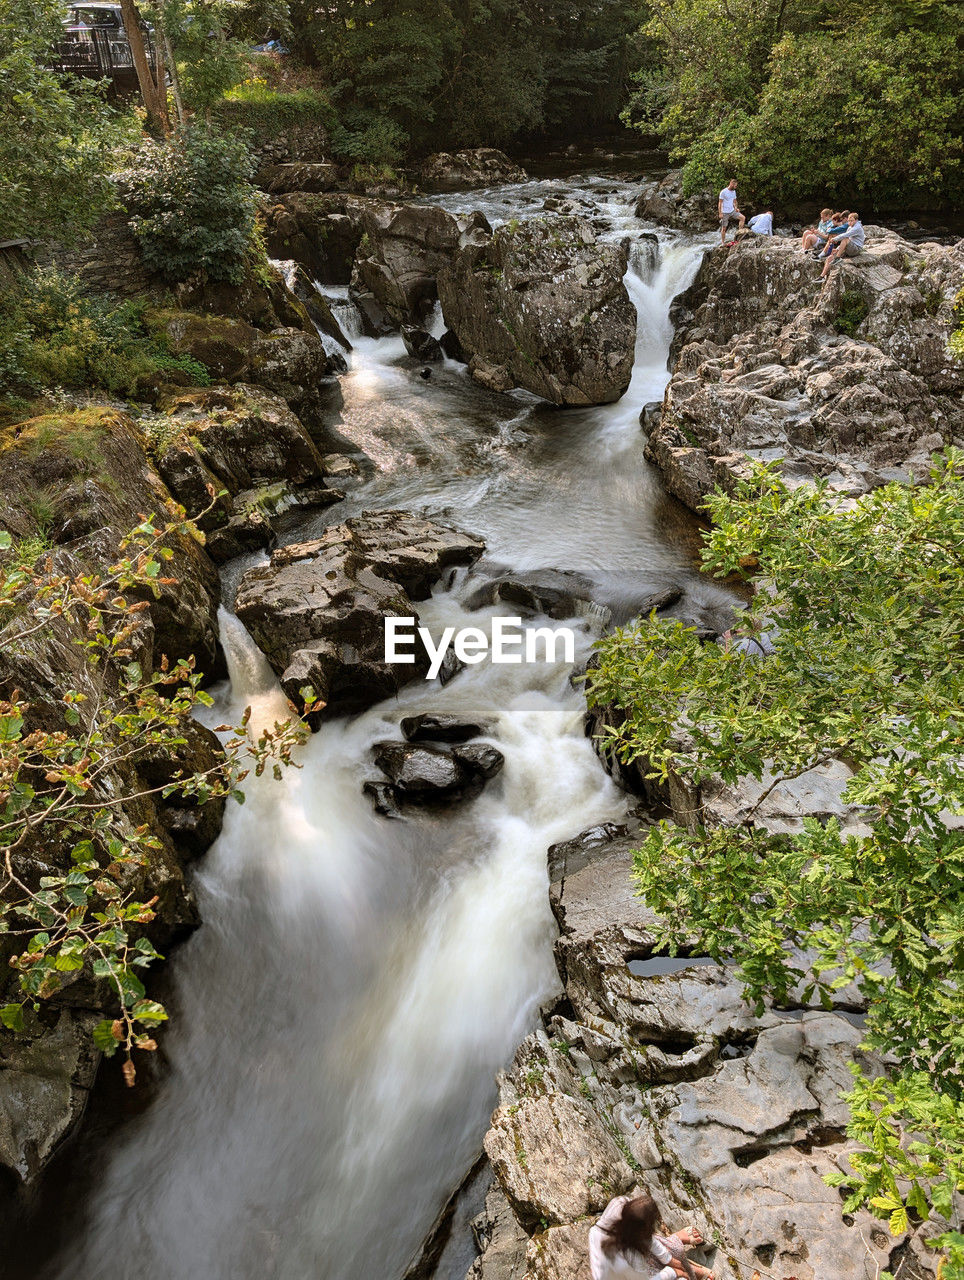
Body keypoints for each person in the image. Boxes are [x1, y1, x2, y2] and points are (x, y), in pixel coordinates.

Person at [589, 1193, 715, 1280]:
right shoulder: (629, 1261)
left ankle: (676, 1250)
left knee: (658, 1248)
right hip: (628, 1275)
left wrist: (669, 1259)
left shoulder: (620, 1203)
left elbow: (645, 1236)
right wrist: (675, 1271)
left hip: (629, 1244)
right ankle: (676, 1246)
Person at [821, 211, 865, 278]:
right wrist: (837, 249)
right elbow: (845, 243)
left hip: (856, 249)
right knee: (830, 258)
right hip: (850, 248)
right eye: (849, 221)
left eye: (852, 221)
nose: (850, 222)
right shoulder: (850, 227)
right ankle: (822, 276)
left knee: (845, 239)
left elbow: (845, 235)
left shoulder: (857, 228)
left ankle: (837, 258)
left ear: (856, 220)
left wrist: (835, 239)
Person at [717, 179, 745, 244]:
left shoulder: (734, 192)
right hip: (725, 212)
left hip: (732, 211)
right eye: (735, 186)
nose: (736, 187)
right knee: (724, 228)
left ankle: (739, 237)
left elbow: (734, 201)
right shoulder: (723, 192)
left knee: (742, 218)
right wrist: (720, 213)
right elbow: (720, 203)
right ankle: (723, 242)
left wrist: (736, 208)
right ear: (731, 184)